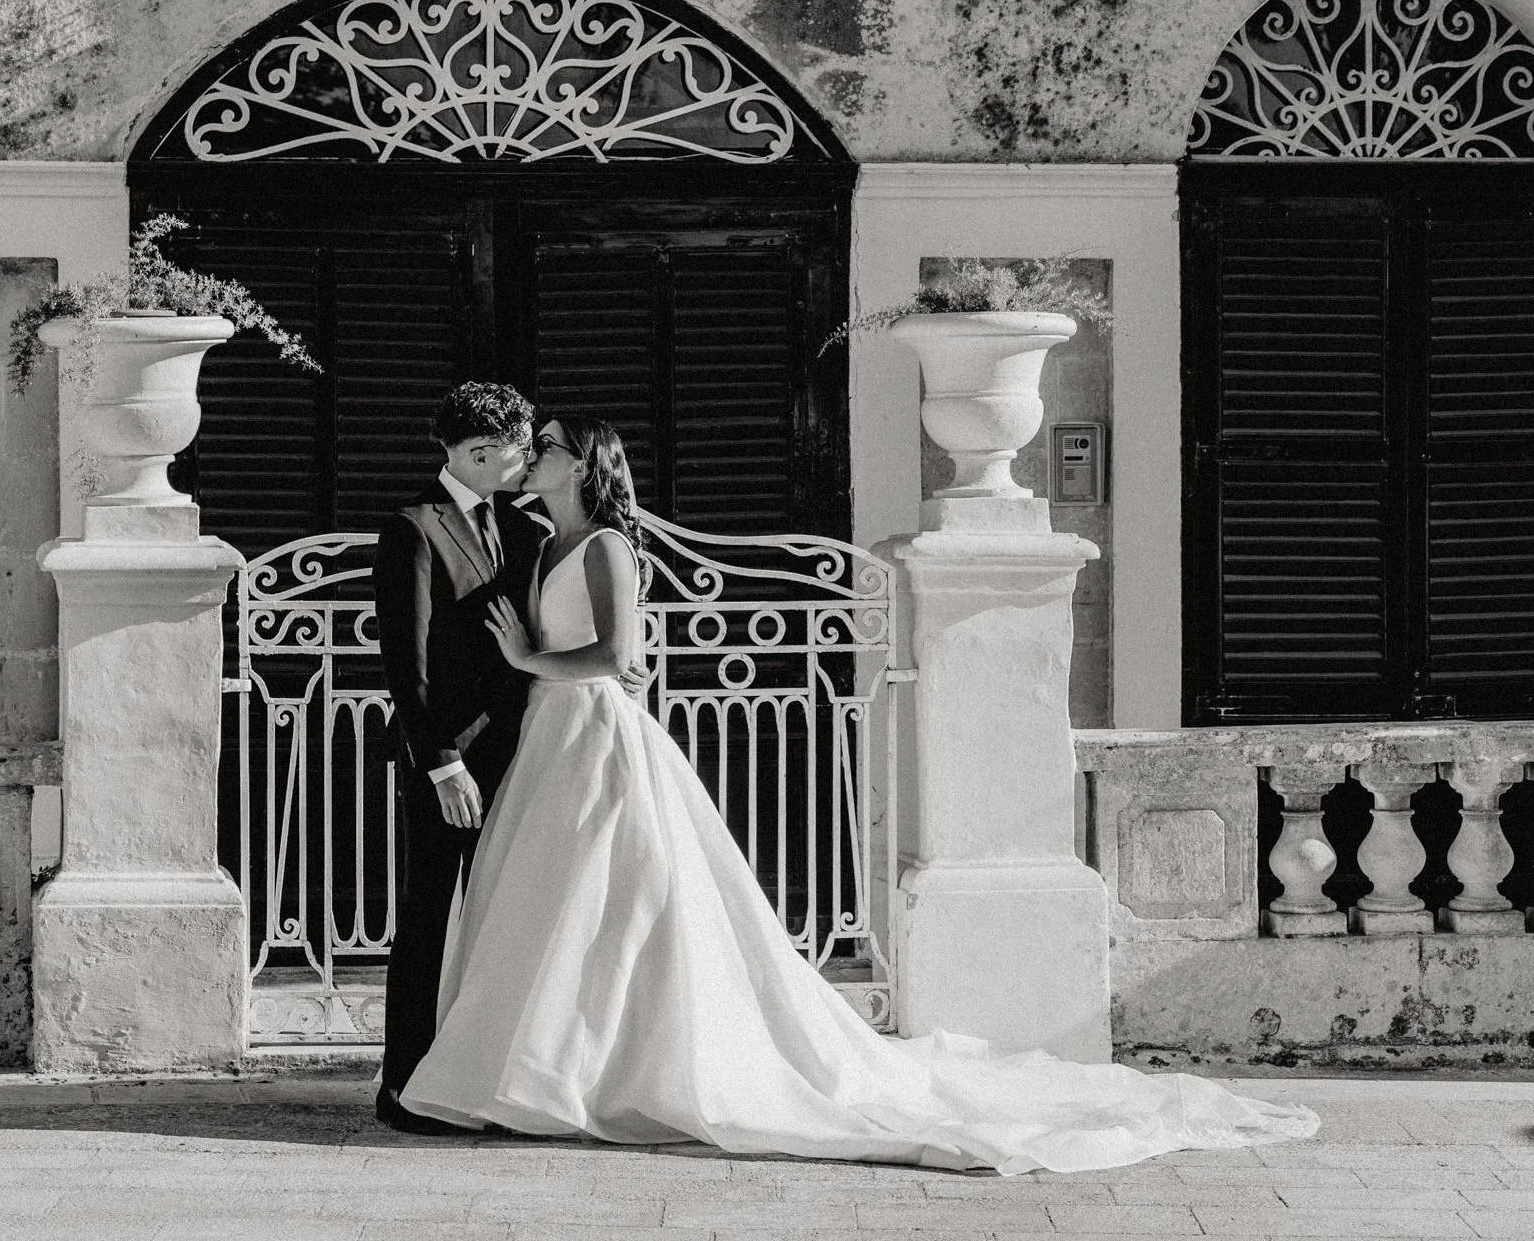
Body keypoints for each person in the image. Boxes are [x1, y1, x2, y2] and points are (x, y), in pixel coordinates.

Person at [399, 415, 1320, 1174]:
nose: (534, 453)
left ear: (584, 467)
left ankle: (593, 1068)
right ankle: (556, 1066)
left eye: (549, 445)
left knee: (618, 901)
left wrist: (529, 657)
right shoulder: (537, 536)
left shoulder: (601, 545)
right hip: (554, 739)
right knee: (565, 907)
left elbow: (622, 657)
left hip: (594, 735)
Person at [369, 382, 549, 1135]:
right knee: (431, 917)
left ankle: (489, 1075)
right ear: (478, 453)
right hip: (452, 765)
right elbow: (404, 664)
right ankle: (404, 1088)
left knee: (505, 919)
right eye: (519, 448)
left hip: (527, 751)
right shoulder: (413, 528)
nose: (529, 459)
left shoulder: (526, 525)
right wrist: (441, 762)